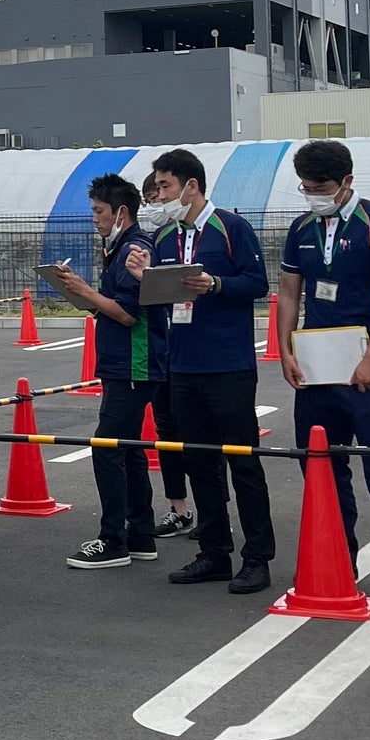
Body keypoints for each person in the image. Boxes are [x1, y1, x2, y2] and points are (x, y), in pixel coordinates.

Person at [276, 140, 370, 601]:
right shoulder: (300, 227)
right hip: (317, 366)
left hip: (367, 363)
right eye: (306, 187)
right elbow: (287, 293)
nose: (313, 195)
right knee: (322, 466)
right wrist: (284, 351)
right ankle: (340, 556)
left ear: (347, 182)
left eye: (321, 187)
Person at [125, 148, 275, 593]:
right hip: (182, 365)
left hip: (228, 365)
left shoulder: (232, 228)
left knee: (243, 463)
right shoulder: (167, 238)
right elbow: (162, 297)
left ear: (191, 186)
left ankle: (257, 557)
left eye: (166, 187)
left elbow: (258, 283)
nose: (160, 196)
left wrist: (217, 284)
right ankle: (214, 551)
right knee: (200, 463)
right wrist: (144, 278)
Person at [56, 174, 169, 568]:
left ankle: (113, 540)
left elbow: (127, 313)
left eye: (99, 211)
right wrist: (80, 293)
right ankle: (140, 534)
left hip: (135, 364)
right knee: (129, 450)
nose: (95, 219)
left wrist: (86, 292)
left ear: (121, 211)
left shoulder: (134, 249)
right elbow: (109, 306)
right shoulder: (119, 247)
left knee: (107, 447)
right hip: (126, 364)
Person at [140, 174, 196, 540]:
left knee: (201, 434)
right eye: (149, 199)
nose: (155, 204)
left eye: (159, 195)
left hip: (195, 352)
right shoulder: (155, 240)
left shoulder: (200, 233)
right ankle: (179, 508)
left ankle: (214, 508)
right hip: (162, 352)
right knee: (167, 433)